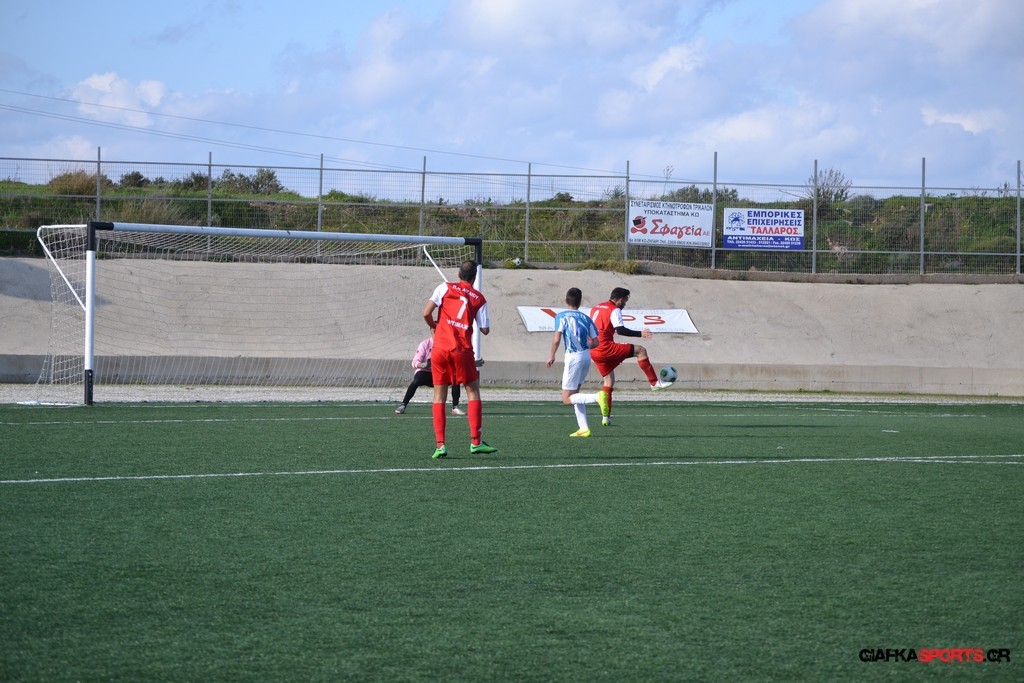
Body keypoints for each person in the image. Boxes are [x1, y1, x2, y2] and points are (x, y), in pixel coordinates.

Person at [421, 260, 497, 459]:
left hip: (440, 348)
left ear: (458, 274)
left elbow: (426, 312)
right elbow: (485, 330)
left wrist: (435, 326)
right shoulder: (479, 298)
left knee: (439, 395)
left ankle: (440, 445)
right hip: (462, 349)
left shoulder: (444, 287)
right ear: (475, 277)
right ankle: (476, 442)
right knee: (472, 391)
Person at [590, 286, 673, 426]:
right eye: (625, 301)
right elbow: (620, 330)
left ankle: (606, 417)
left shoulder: (596, 307)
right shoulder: (614, 309)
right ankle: (654, 383)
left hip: (593, 350)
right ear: (620, 299)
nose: (625, 305)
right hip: (606, 347)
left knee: (608, 382)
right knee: (640, 351)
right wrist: (640, 334)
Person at [546, 287, 608, 438]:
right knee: (575, 394)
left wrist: (552, 355)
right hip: (586, 357)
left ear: (566, 301)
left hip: (573, 358)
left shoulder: (561, 316)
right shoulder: (586, 318)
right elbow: (596, 342)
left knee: (567, 398)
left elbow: (557, 339)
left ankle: (597, 397)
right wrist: (585, 346)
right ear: (580, 302)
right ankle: (584, 428)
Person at [394, 331, 464, 415]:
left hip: (442, 373)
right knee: (417, 379)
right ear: (431, 331)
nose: (437, 333)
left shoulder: (448, 344)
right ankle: (403, 405)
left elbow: (455, 360)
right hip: (427, 373)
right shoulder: (425, 344)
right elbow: (415, 362)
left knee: (455, 377)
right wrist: (423, 365)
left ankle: (455, 407)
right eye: (434, 330)